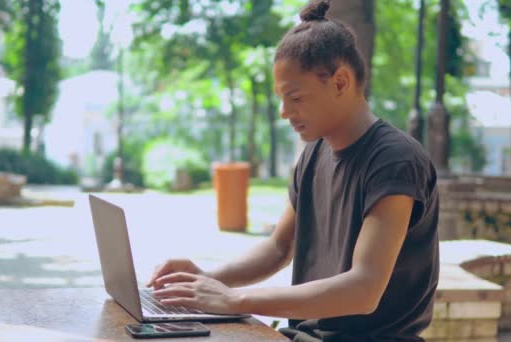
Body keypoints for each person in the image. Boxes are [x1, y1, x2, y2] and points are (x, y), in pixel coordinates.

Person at [146, 0, 439, 340]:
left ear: (341, 82)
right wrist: (209, 279)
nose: (285, 112)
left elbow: (364, 289)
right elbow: (279, 249)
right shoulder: (314, 153)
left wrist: (235, 299)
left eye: (295, 97)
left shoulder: (395, 161)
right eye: (281, 99)